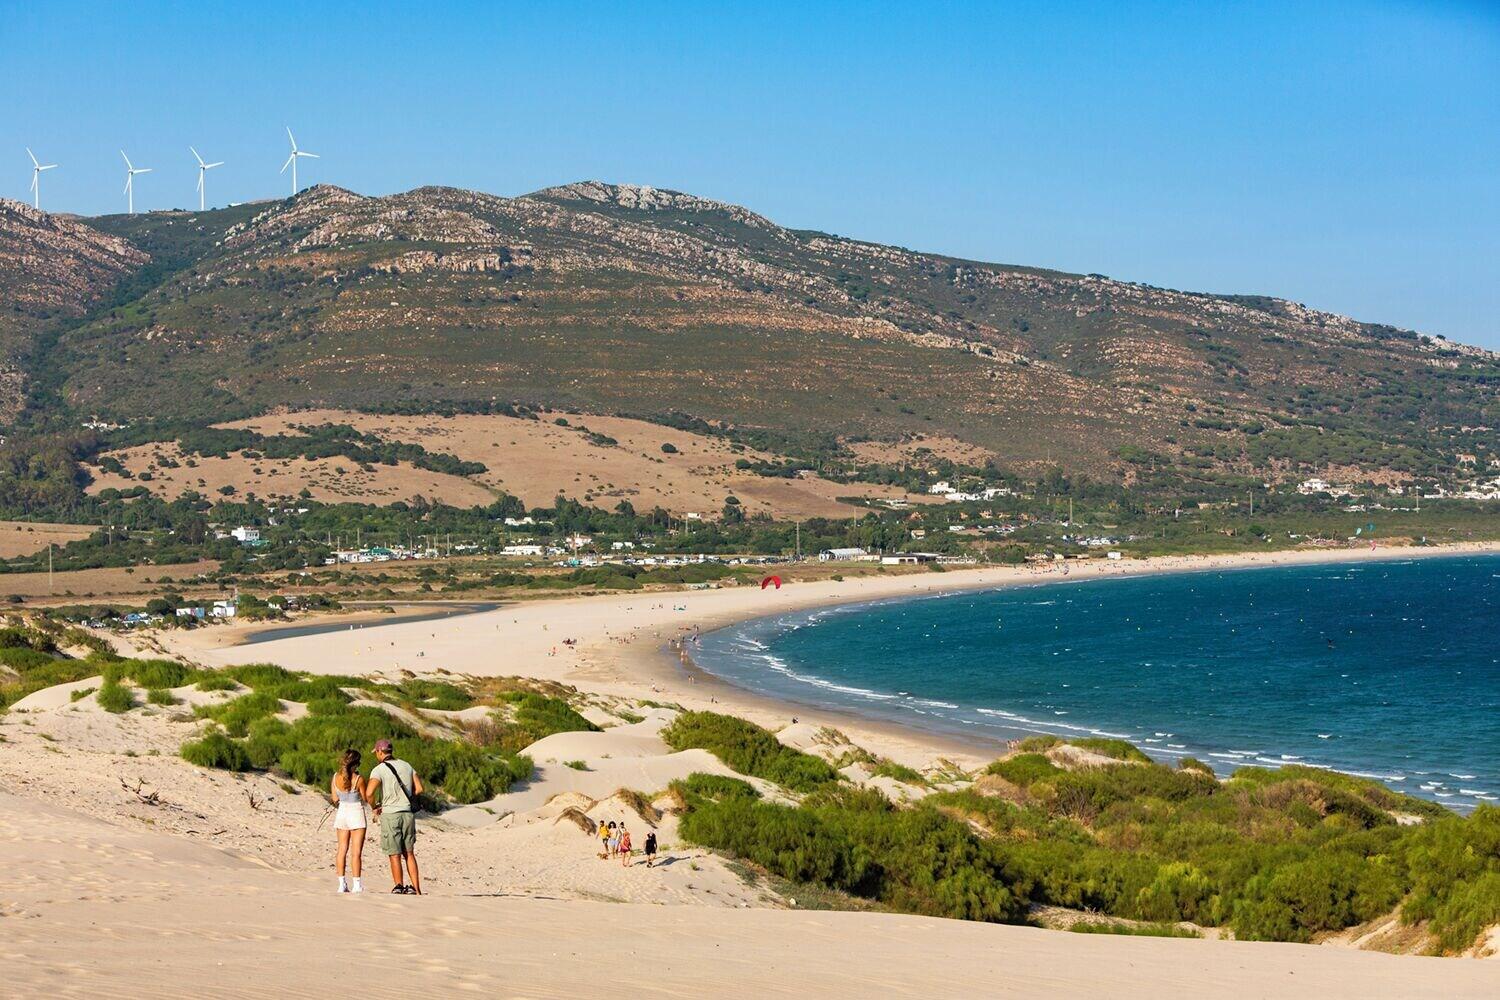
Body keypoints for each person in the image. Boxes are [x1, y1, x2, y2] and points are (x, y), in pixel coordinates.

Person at [365, 738, 424, 895]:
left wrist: (375, 806)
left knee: (394, 853)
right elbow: (419, 788)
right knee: (409, 853)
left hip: (390, 814)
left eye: (376, 752)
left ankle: (399, 885)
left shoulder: (379, 769)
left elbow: (369, 793)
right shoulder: (407, 765)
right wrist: (407, 797)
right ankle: (416, 889)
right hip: (408, 814)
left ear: (379, 752)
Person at [330, 748, 367, 894]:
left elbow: (334, 799)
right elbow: (364, 798)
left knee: (341, 850)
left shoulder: (335, 777)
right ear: (356, 764)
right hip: (356, 812)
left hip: (342, 812)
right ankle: (356, 884)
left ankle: (341, 883)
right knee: (356, 852)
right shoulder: (359, 779)